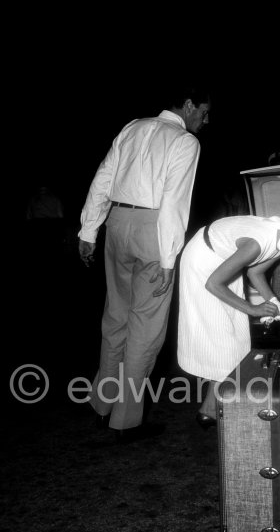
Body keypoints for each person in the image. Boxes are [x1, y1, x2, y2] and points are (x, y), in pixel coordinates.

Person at [78, 84, 211, 442]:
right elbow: (174, 202)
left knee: (115, 319)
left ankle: (101, 407)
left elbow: (103, 178)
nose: (205, 119)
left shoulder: (133, 126)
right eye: (203, 110)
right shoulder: (185, 142)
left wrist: (89, 230)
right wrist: (170, 258)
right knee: (145, 329)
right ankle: (126, 421)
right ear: (188, 104)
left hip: (117, 225)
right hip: (153, 230)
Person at [177, 209, 280, 428]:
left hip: (223, 262)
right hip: (203, 262)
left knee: (237, 336)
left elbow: (254, 273)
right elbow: (213, 283)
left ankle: (210, 409)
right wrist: (253, 309)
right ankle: (211, 410)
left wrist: (275, 303)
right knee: (222, 339)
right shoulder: (258, 243)